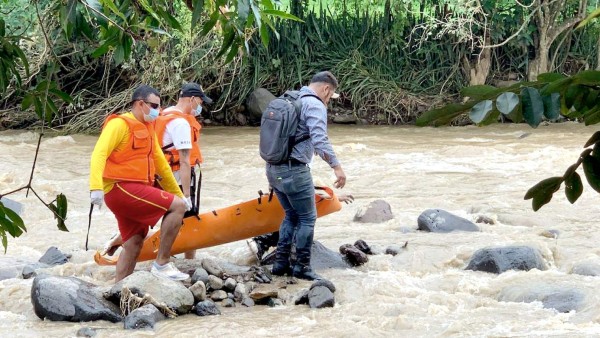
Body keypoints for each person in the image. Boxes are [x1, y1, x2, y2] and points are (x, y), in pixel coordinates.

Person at [89, 85, 192, 282]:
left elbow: (161, 163)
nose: (158, 111)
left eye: (160, 107)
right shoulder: (119, 125)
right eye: (154, 106)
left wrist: (178, 193)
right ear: (140, 104)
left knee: (134, 242)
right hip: (120, 188)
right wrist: (95, 187)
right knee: (177, 208)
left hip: (135, 190)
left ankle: (117, 289)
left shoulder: (148, 127)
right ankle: (162, 264)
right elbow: (99, 154)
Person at [266, 71, 347, 280]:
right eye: (330, 96)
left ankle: (280, 263)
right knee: (307, 217)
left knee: (291, 215)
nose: (329, 101)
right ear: (326, 89)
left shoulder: (289, 99)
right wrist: (337, 167)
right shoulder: (315, 105)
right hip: (294, 171)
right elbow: (320, 140)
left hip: (274, 169)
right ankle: (302, 266)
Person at [154, 83, 212, 259]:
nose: (200, 107)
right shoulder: (180, 123)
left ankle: (163, 254)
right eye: (200, 102)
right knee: (189, 220)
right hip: (178, 178)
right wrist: (187, 195)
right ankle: (188, 261)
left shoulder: (165, 113)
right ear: (192, 99)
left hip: (162, 176)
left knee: (167, 217)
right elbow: (185, 162)